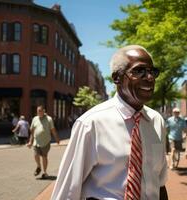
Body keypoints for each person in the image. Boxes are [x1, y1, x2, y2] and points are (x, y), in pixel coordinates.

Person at [51, 45, 168, 200]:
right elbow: (67, 192)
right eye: (139, 71)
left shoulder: (156, 121)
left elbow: (159, 183)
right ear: (117, 78)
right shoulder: (91, 124)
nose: (150, 78)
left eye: (152, 71)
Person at [27, 105, 60, 179]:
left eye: (40, 111)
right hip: (36, 141)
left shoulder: (49, 119)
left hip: (45, 142)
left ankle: (45, 172)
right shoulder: (35, 119)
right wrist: (30, 141)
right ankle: (39, 166)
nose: (39, 112)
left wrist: (57, 138)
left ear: (44, 111)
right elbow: (32, 131)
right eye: (38, 111)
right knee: (36, 155)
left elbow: (53, 130)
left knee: (44, 157)